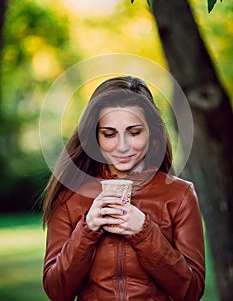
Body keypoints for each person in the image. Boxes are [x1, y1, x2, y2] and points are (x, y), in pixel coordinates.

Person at [42, 76, 205, 301]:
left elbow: (192, 292)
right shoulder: (70, 194)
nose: (123, 146)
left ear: (152, 132)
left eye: (135, 132)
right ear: (95, 136)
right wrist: (87, 229)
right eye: (109, 134)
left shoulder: (180, 195)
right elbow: (57, 292)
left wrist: (145, 232)